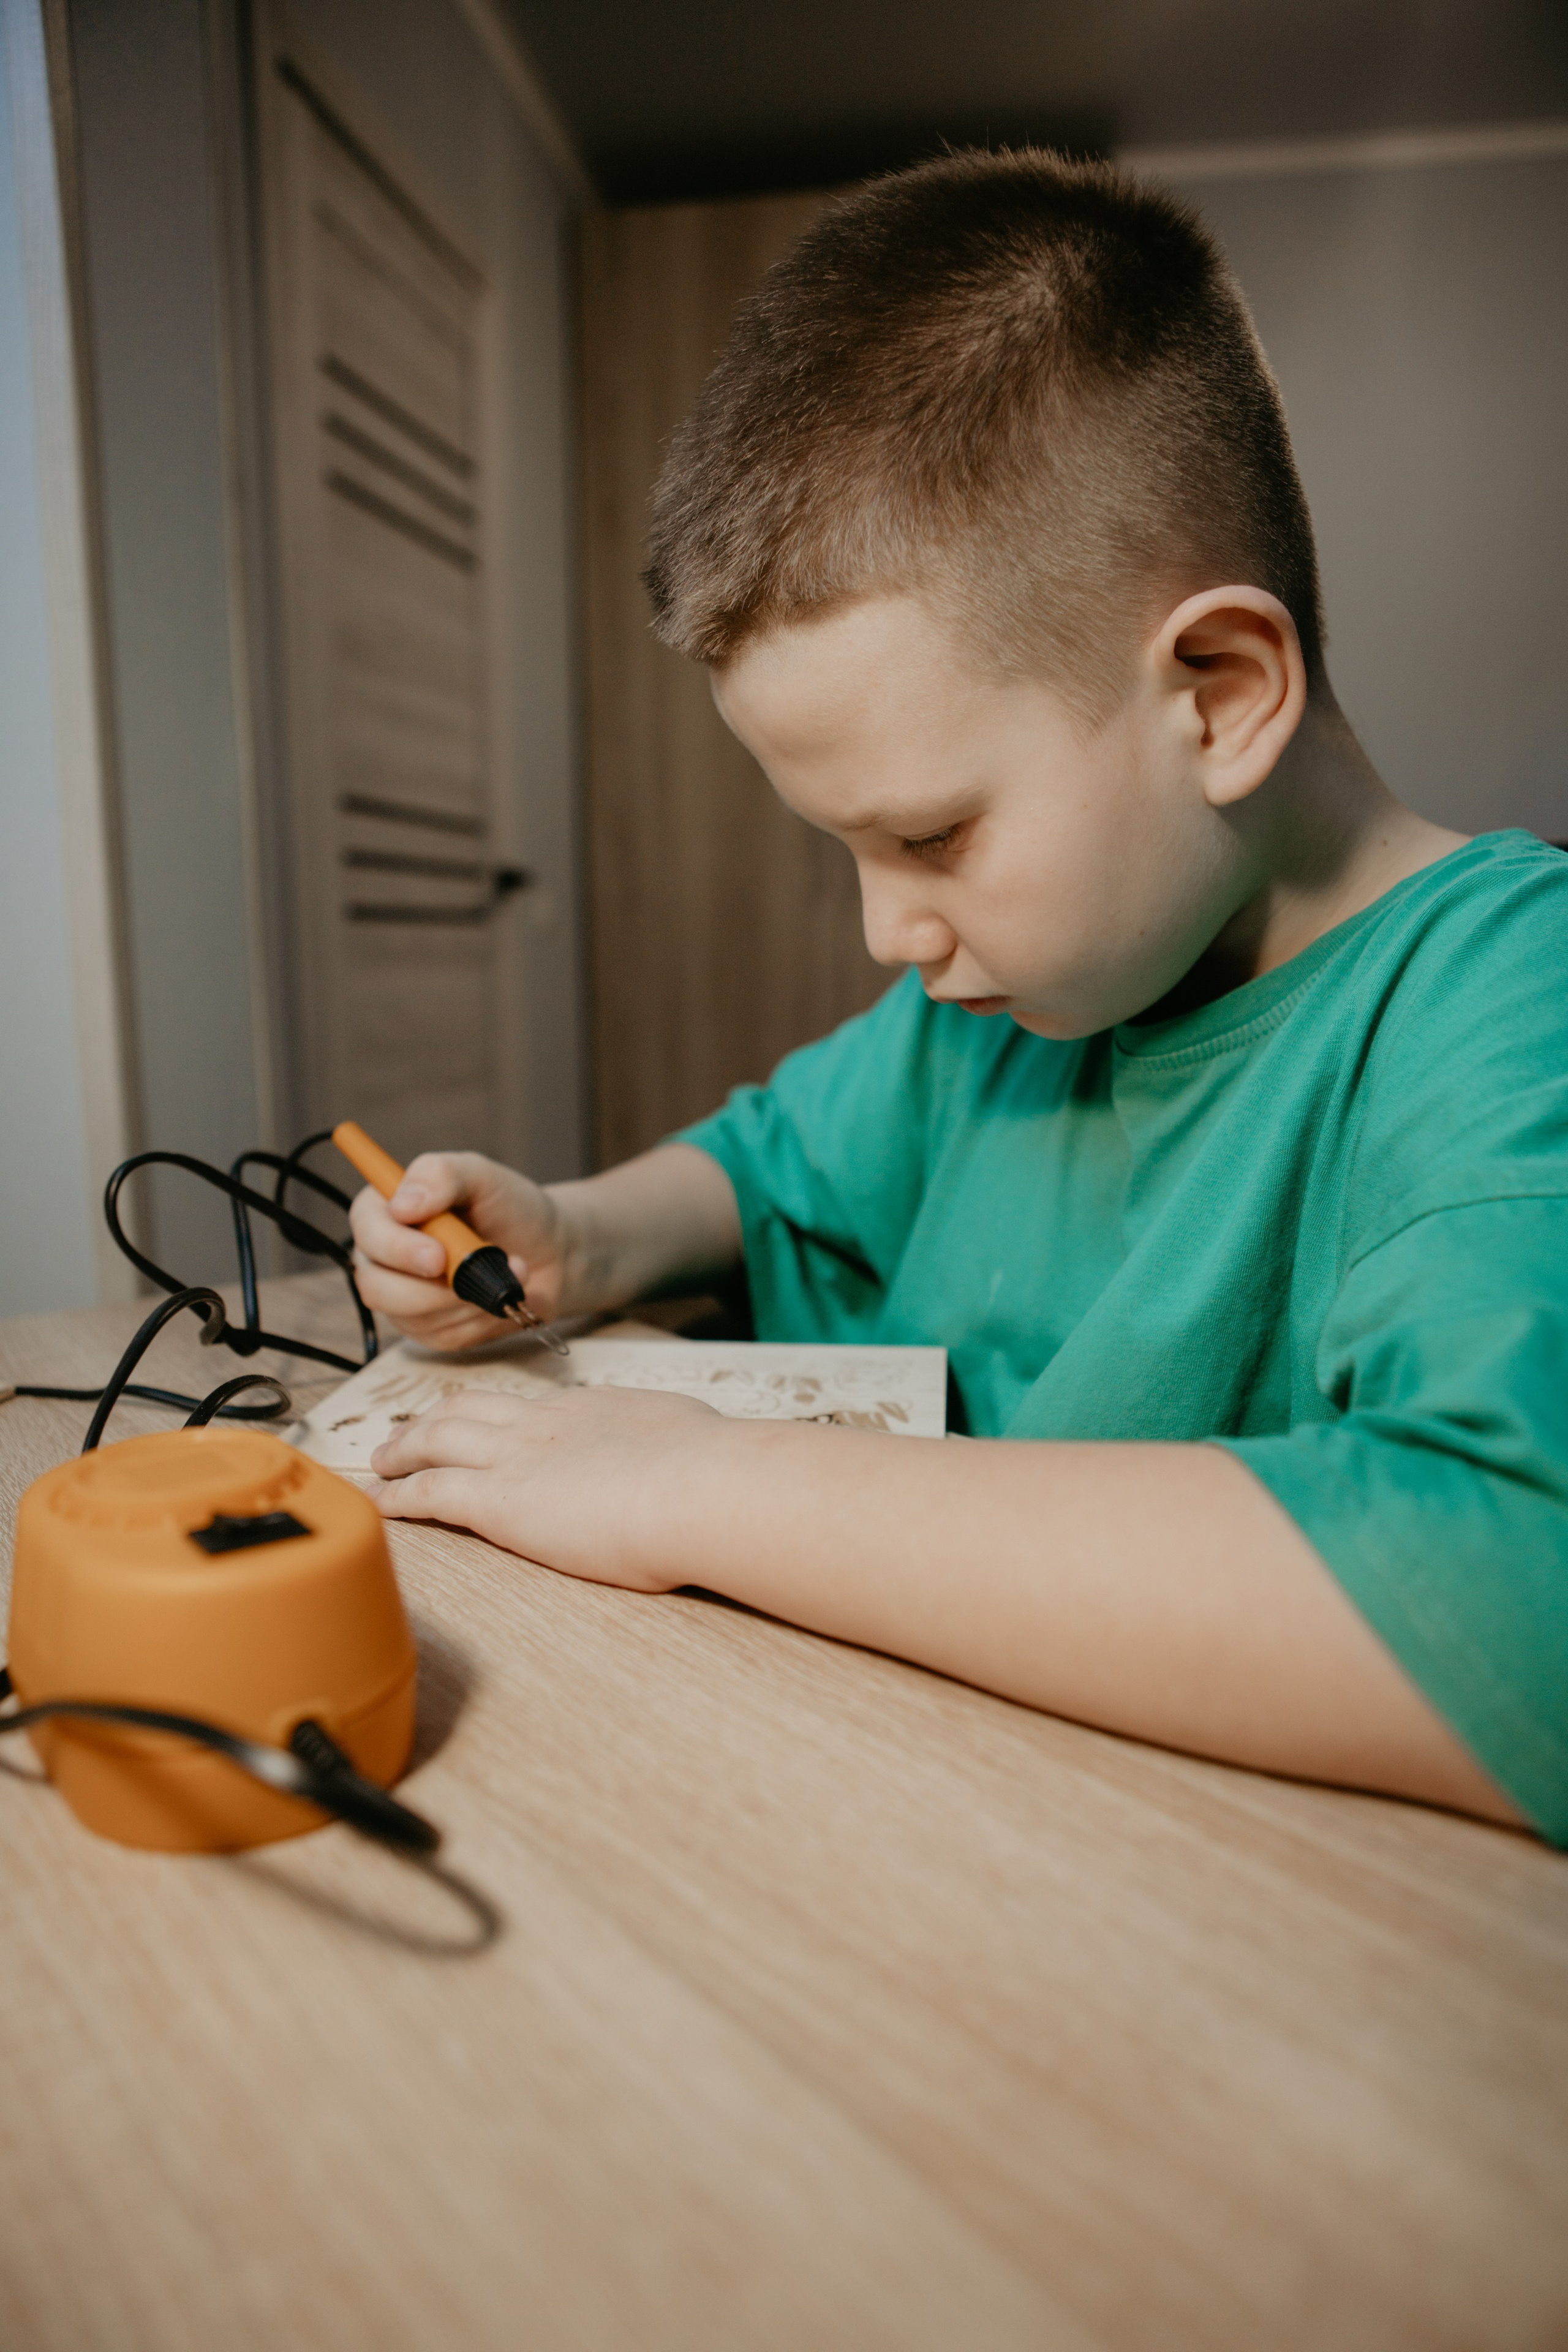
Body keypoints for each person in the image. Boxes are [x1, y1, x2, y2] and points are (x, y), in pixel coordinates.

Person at [350, 151, 1568, 1845]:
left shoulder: (1506, 1002)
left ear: (1219, 695)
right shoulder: (996, 1014)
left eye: (930, 836)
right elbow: (770, 1167)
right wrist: (576, 1238)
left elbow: (1517, 1592)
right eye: (846, 850)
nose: (886, 932)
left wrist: (704, 1484)